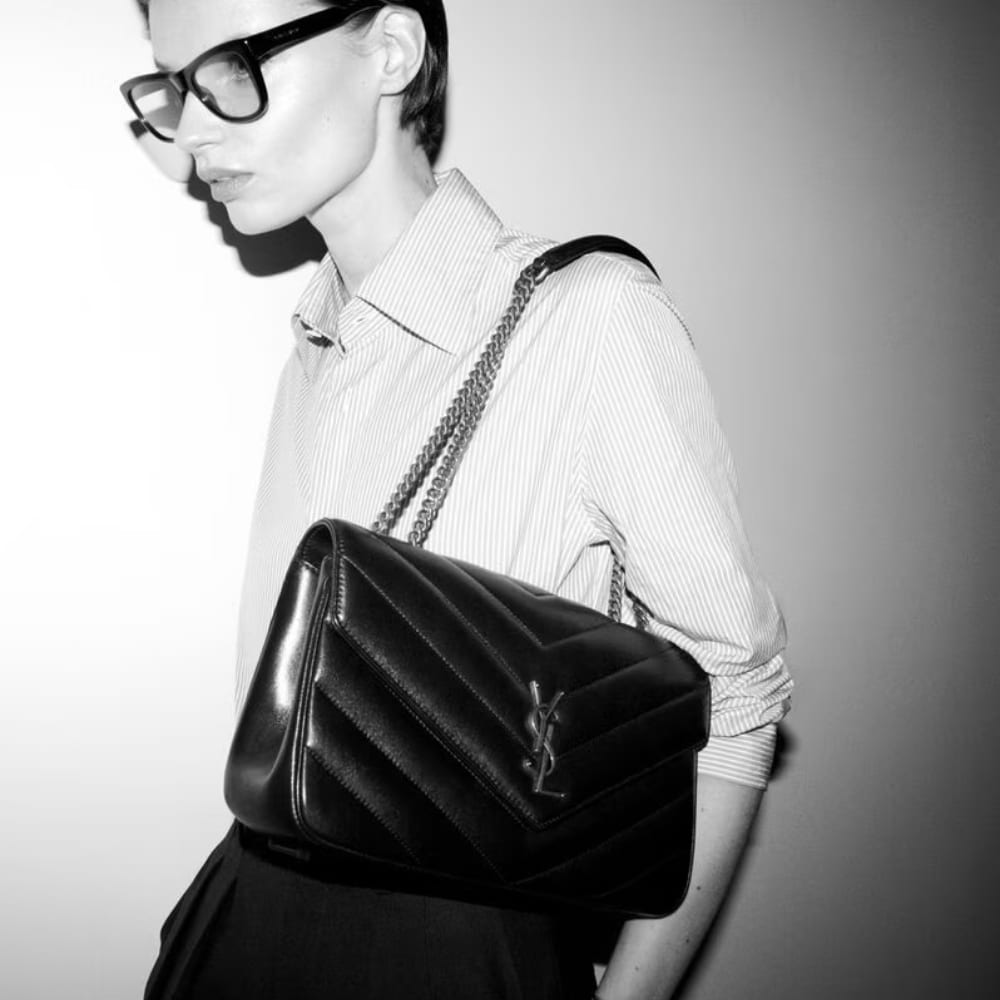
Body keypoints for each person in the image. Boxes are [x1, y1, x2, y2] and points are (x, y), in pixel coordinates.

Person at [123, 1, 792, 997]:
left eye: (230, 70)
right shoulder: (313, 347)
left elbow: (734, 690)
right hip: (244, 903)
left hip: (451, 944)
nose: (191, 130)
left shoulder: (587, 318)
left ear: (391, 51)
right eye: (174, 88)